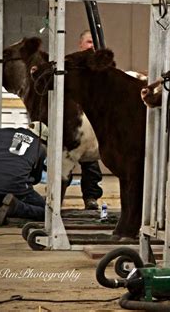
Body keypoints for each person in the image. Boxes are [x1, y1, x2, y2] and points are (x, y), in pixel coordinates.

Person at [0, 122, 48, 226]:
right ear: (42, 138)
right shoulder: (40, 147)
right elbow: (36, 178)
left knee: (2, 190)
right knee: (46, 211)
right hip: (17, 187)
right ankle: (16, 207)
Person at [66, 29, 103, 210]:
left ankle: (91, 197)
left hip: (92, 122)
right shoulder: (72, 68)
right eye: (89, 42)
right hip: (73, 124)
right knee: (66, 162)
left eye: (94, 43)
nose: (92, 47)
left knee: (91, 164)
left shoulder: (102, 70)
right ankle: (57, 199)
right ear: (80, 45)